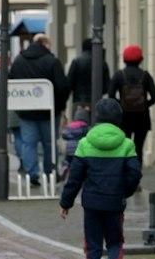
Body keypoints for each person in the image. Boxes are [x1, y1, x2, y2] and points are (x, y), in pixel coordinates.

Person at [60, 99, 144, 259]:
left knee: (93, 245)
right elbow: (134, 174)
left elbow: (75, 178)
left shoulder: (85, 143)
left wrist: (66, 202)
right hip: (115, 203)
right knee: (115, 241)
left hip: (92, 204)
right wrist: (125, 192)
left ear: (97, 119)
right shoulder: (127, 144)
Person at [8, 32, 68, 185]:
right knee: (50, 143)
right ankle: (50, 172)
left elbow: (11, 82)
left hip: (26, 111)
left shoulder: (19, 60)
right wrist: (61, 107)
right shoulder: (52, 61)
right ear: (45, 44)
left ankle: (33, 173)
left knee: (29, 143)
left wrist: (18, 106)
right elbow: (62, 86)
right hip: (49, 111)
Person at [110, 46, 155, 161]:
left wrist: (121, 105)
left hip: (124, 118)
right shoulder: (145, 76)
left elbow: (111, 95)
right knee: (138, 148)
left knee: (124, 147)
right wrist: (144, 105)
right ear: (141, 59)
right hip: (142, 117)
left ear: (124, 59)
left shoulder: (119, 75)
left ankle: (124, 171)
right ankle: (136, 173)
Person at [67, 38, 110, 112]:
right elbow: (107, 86)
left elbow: (69, 83)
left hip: (79, 100)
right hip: (96, 101)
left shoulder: (76, 62)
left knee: (79, 123)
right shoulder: (102, 63)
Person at [59, 106, 92, 183]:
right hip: (81, 149)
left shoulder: (71, 126)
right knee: (81, 162)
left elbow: (64, 135)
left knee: (68, 160)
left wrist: (72, 136)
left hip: (70, 149)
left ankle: (65, 167)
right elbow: (90, 135)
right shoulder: (86, 126)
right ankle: (81, 172)